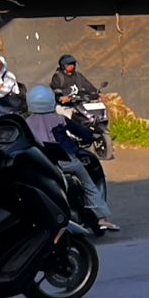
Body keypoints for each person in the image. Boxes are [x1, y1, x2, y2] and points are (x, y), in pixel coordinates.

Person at [24, 84, 120, 232]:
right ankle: (102, 219)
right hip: (66, 162)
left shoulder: (27, 123)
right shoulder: (60, 119)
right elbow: (83, 133)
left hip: (40, 164)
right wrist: (91, 135)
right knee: (88, 185)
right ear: (51, 101)